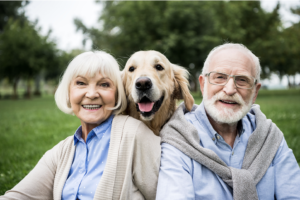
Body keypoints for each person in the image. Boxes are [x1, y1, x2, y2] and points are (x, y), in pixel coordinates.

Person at [0, 51, 161, 200]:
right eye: (81, 83)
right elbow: (18, 196)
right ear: (69, 92)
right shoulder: (62, 152)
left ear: (117, 93)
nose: (91, 94)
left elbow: (168, 193)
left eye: (104, 84)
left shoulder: (134, 134)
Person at [156, 43, 300, 200]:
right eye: (219, 77)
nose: (230, 89)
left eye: (242, 80)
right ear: (203, 84)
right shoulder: (178, 139)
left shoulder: (270, 137)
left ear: (255, 92)